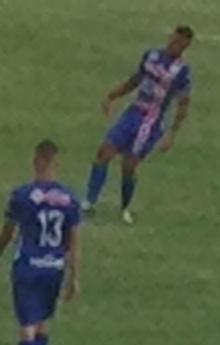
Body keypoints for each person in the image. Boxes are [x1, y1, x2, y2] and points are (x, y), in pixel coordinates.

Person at [0, 139, 82, 345]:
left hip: (28, 265)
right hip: (54, 267)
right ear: (56, 162)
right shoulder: (70, 199)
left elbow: (8, 231)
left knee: (26, 325)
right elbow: (73, 240)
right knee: (42, 323)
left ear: (37, 161)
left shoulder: (22, 195)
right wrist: (74, 276)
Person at [83, 26, 194, 224]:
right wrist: (113, 95)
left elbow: (183, 103)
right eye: (173, 40)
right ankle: (89, 201)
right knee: (104, 152)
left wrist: (172, 134)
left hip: (151, 121)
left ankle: (125, 207)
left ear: (186, 46)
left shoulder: (182, 71)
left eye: (180, 43)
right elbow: (136, 79)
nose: (174, 45)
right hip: (133, 113)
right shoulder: (151, 55)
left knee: (129, 165)